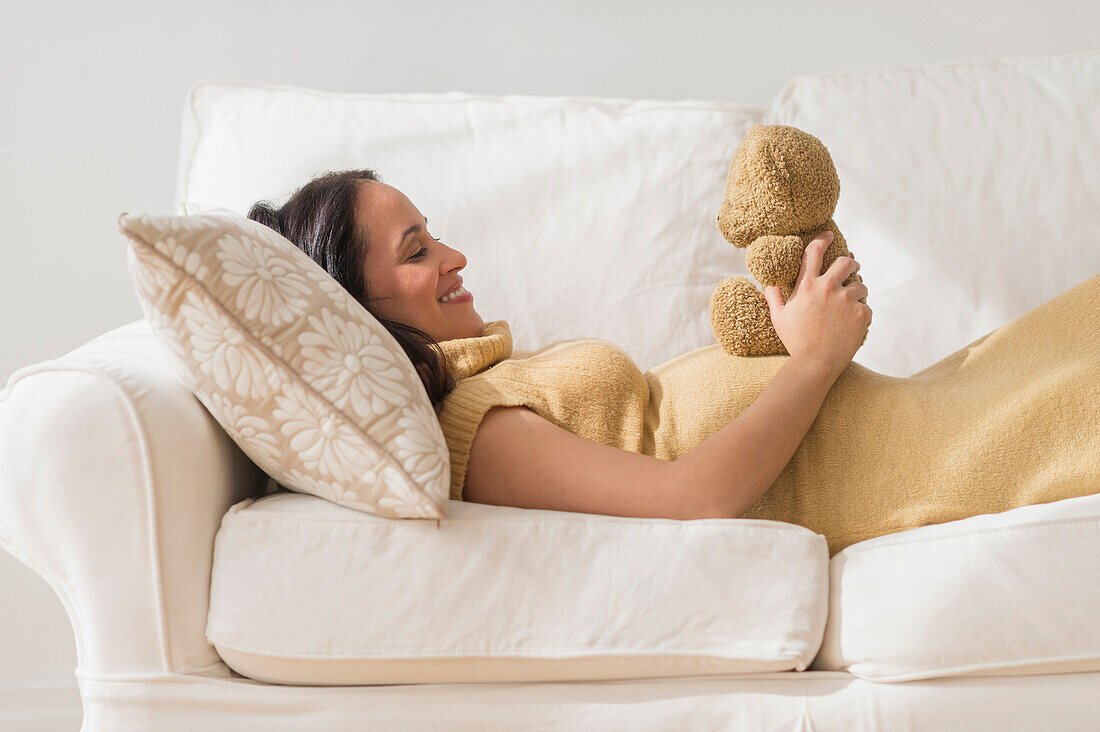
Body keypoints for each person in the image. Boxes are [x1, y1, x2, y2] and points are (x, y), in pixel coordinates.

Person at [249, 169, 1100, 557]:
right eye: (417, 250)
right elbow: (698, 500)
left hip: (898, 410)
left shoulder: (490, 386)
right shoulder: (477, 432)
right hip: (898, 468)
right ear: (355, 307)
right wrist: (812, 358)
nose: (456, 256)